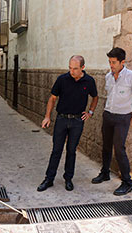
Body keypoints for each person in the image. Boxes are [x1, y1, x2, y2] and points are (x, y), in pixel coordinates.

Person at [37, 55, 98, 192]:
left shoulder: (89, 81)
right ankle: (49, 179)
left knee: (71, 151)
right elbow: (52, 98)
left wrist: (90, 112)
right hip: (62, 119)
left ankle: (68, 178)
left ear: (82, 68)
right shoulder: (62, 80)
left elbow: (95, 97)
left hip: (77, 121)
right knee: (56, 150)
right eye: (70, 68)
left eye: (75, 69)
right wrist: (47, 117)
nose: (72, 71)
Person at [92, 47, 132, 196]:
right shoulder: (109, 76)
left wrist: (131, 114)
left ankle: (127, 183)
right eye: (109, 62)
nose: (111, 65)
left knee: (119, 149)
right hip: (108, 115)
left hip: (122, 117)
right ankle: (105, 173)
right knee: (106, 146)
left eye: (114, 62)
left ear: (122, 62)